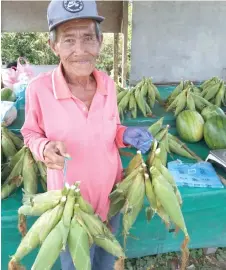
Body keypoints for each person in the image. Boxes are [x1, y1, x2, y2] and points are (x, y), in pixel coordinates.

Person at [21, 0, 154, 269]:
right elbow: (30, 133)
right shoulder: (39, 89)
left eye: (87, 38)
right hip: (70, 206)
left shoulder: (106, 83)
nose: (80, 50)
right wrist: (44, 148)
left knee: (106, 261)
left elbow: (110, 130)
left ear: (99, 42)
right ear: (53, 45)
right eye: (68, 40)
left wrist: (125, 134)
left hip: (110, 197)